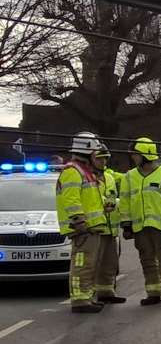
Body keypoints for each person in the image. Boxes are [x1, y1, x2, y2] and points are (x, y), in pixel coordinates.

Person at [119, 136, 161, 306]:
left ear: (146, 155)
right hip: (140, 227)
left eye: (136, 154)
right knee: (146, 260)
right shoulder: (129, 177)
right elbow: (125, 201)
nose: (133, 157)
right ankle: (153, 292)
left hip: (160, 226)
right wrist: (126, 224)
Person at [55, 132, 108, 314]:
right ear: (86, 152)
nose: (97, 156)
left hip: (91, 228)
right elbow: (72, 199)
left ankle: (86, 297)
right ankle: (79, 300)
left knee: (88, 264)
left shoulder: (85, 172)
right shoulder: (72, 171)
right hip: (83, 229)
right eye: (94, 152)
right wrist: (79, 221)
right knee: (81, 264)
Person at [94, 144, 127, 305]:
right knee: (93, 263)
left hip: (111, 228)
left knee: (110, 262)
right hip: (96, 227)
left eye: (105, 158)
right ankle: (88, 296)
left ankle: (106, 292)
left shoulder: (109, 177)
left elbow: (127, 179)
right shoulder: (87, 177)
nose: (103, 162)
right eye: (99, 159)